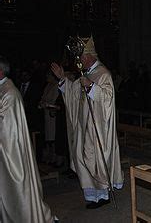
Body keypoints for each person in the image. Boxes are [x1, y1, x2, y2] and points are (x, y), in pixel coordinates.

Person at [51, 35, 124, 209]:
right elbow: (74, 94)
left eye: (81, 58)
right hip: (84, 126)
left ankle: (103, 193)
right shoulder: (87, 74)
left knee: (96, 158)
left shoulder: (102, 74)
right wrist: (62, 79)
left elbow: (108, 99)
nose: (78, 62)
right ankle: (92, 195)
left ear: (89, 56)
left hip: (98, 126)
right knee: (82, 156)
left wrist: (92, 87)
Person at [0, 56, 55, 222]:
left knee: (17, 187)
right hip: (6, 148)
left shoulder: (9, 93)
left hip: (11, 150)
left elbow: (6, 126)